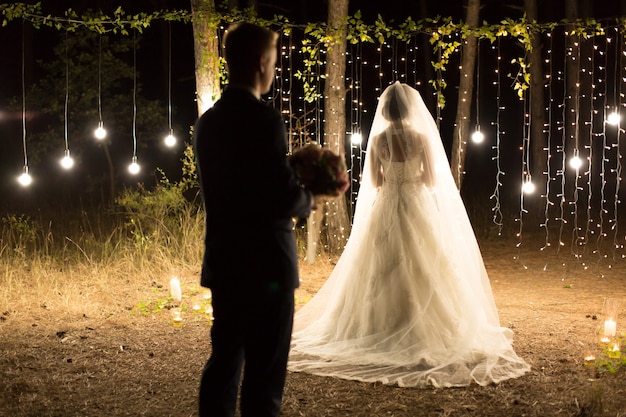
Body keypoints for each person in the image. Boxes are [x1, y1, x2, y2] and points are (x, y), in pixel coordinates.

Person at [288, 81, 530, 388]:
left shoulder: (378, 140)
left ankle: (375, 326)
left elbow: (375, 181)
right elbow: (430, 177)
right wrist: (413, 181)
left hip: (388, 203)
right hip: (416, 201)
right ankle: (422, 323)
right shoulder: (420, 138)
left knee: (381, 263)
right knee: (426, 259)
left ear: (385, 113)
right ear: (411, 109)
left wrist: (394, 180)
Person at [193, 22, 313, 417]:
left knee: (224, 363)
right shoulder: (264, 120)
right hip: (267, 266)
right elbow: (279, 196)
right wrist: (309, 195)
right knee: (264, 377)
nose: (273, 70)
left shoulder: (207, 123)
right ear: (263, 62)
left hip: (226, 262)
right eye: (274, 61)